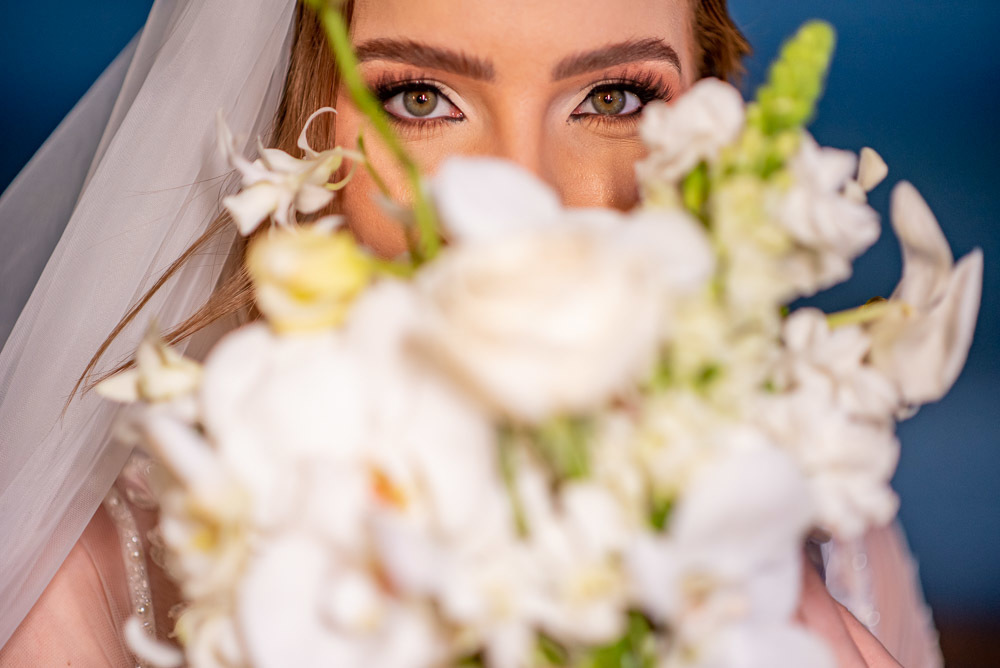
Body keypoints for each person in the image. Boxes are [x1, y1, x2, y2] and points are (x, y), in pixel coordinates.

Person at [0, 1, 941, 665]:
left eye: (613, 99)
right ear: (293, 123)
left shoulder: (814, 522)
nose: (521, 206)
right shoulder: (89, 583)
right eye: (419, 99)